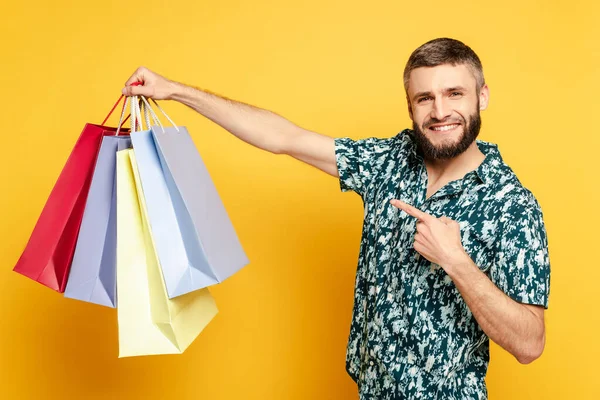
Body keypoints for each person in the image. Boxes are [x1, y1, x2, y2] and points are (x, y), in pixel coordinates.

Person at [122, 37, 551, 400]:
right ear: (411, 107)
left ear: (482, 96)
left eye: (454, 93)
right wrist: (174, 90)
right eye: (425, 98)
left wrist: (456, 261)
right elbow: (284, 138)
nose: (439, 111)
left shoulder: (512, 205)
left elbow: (530, 343)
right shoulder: (389, 162)